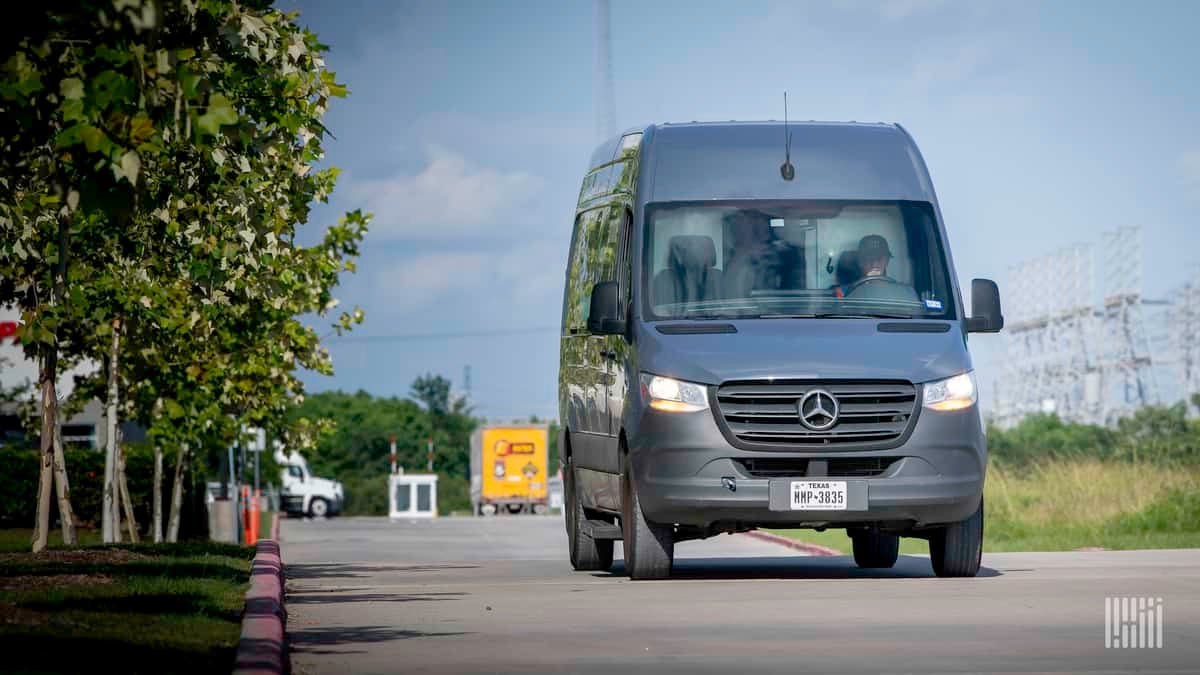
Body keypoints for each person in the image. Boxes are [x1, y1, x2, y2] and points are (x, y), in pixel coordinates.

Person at [844, 234, 920, 304]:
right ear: (860, 262)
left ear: (887, 261)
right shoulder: (843, 293)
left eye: (879, 259)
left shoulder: (906, 292)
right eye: (869, 259)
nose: (874, 264)